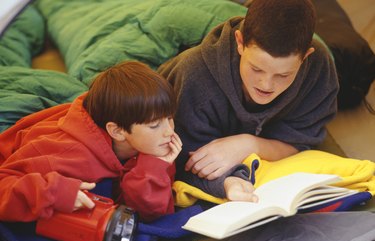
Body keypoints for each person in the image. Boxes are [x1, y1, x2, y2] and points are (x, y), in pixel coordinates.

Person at [158, 0, 339, 202]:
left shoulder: (319, 69)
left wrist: (249, 145)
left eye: (283, 75)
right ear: (240, 42)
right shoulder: (194, 77)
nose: (266, 84)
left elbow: (303, 140)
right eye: (256, 69)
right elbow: (182, 162)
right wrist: (227, 183)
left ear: (306, 56)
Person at [0, 61, 182, 222]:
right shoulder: (67, 153)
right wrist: (54, 192)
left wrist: (153, 169)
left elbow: (147, 214)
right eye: (155, 125)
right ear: (117, 131)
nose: (169, 131)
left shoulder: (153, 144)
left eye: (170, 118)